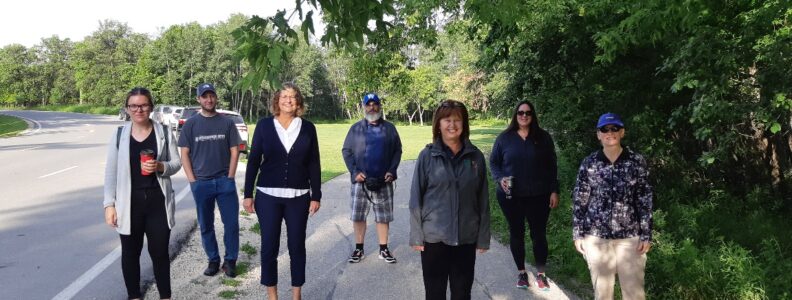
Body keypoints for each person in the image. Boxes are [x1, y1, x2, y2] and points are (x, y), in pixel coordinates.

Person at [243, 82, 322, 300]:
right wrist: (248, 194)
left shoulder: (308, 128)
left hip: (298, 197)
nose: (288, 100)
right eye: (284, 96)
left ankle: (296, 294)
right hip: (267, 196)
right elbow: (253, 161)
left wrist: (316, 195)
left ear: (299, 102)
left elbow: (314, 163)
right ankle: (272, 295)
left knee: (297, 246)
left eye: (293, 96)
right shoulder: (264, 126)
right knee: (269, 246)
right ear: (277, 100)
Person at [104, 87, 181, 300]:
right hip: (129, 205)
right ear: (128, 109)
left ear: (151, 107)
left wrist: (160, 167)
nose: (139, 109)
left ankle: (165, 296)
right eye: (134, 106)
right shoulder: (120, 134)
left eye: (144, 105)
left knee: (160, 255)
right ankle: (134, 296)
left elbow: (176, 164)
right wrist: (109, 204)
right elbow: (111, 172)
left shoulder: (164, 132)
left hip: (158, 203)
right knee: (130, 254)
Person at [409, 99, 490, 300]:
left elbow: (483, 199)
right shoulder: (427, 156)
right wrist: (416, 234)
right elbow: (415, 197)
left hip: (466, 237)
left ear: (464, 124)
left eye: (457, 120)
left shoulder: (475, 157)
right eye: (446, 119)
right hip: (434, 239)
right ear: (438, 124)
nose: (452, 125)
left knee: (462, 293)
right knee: (435, 293)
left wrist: (483, 236)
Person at [572, 113, 653, 300]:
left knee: (634, 294)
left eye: (614, 128)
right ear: (598, 135)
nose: (610, 133)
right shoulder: (589, 163)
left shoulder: (636, 162)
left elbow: (644, 199)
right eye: (605, 129)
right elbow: (580, 200)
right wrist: (577, 234)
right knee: (603, 294)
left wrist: (646, 234)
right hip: (596, 238)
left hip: (630, 238)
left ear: (622, 132)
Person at [489, 100, 559, 290]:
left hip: (540, 195)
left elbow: (552, 166)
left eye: (528, 113)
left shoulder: (543, 137)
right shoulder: (505, 138)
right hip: (511, 196)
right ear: (515, 115)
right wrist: (500, 178)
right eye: (521, 112)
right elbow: (494, 163)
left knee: (539, 234)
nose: (524, 116)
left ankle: (541, 274)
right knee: (516, 233)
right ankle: (521, 273)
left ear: (533, 115)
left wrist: (554, 190)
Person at [178, 83, 242, 278]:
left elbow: (235, 150)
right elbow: (184, 154)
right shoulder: (190, 124)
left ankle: (230, 261)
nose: (209, 100)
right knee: (206, 225)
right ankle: (213, 260)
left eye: (211, 96)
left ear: (216, 97)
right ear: (199, 99)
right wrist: (192, 182)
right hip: (201, 183)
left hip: (224, 181)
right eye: (204, 96)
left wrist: (230, 177)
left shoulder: (227, 123)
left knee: (231, 224)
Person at [342, 92, 403, 264]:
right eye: (368, 104)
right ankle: (359, 249)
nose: (371, 107)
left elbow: (397, 150)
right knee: (358, 216)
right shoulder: (356, 128)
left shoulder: (389, 128)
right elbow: (346, 151)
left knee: (383, 217)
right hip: (361, 182)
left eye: (375, 104)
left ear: (379, 106)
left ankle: (383, 249)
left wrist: (392, 171)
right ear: (364, 107)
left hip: (384, 181)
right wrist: (354, 173)